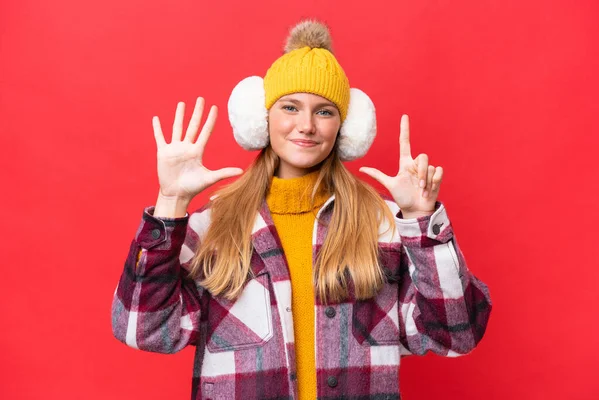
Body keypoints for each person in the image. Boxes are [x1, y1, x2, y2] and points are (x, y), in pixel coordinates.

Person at [111, 19, 492, 400]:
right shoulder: (214, 226)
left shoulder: (384, 226)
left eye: (324, 111)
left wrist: (422, 222)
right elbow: (142, 329)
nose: (306, 126)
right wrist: (171, 202)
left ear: (346, 127)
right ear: (262, 119)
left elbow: (457, 334)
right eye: (290, 107)